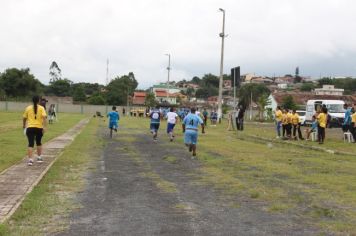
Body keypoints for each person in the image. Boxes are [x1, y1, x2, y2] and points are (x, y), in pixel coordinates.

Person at [23, 95, 47, 166]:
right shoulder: (42, 108)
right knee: (39, 142)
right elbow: (44, 118)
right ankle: (39, 158)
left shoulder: (28, 108)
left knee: (30, 144)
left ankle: (30, 160)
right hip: (39, 128)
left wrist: (24, 125)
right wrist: (44, 127)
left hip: (30, 128)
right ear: (39, 101)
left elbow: (24, 118)